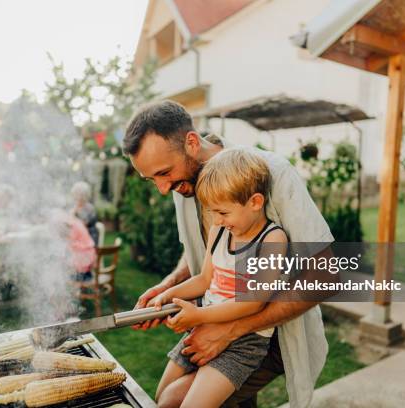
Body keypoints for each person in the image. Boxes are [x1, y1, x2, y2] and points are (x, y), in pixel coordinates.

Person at [123, 100, 335, 408]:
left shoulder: (274, 173)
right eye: (152, 178)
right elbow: (208, 252)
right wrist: (169, 287)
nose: (162, 188)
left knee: (176, 401)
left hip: (267, 335)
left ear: (192, 143)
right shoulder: (186, 180)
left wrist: (230, 329)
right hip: (214, 318)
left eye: (164, 173)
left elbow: (325, 275)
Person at [153, 149, 287, 408]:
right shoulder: (219, 230)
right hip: (204, 326)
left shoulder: (272, 240)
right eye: (212, 212)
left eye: (223, 212)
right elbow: (204, 280)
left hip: (244, 342)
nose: (216, 220)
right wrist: (168, 294)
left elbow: (254, 303)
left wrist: (198, 316)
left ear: (255, 202)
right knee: (162, 398)